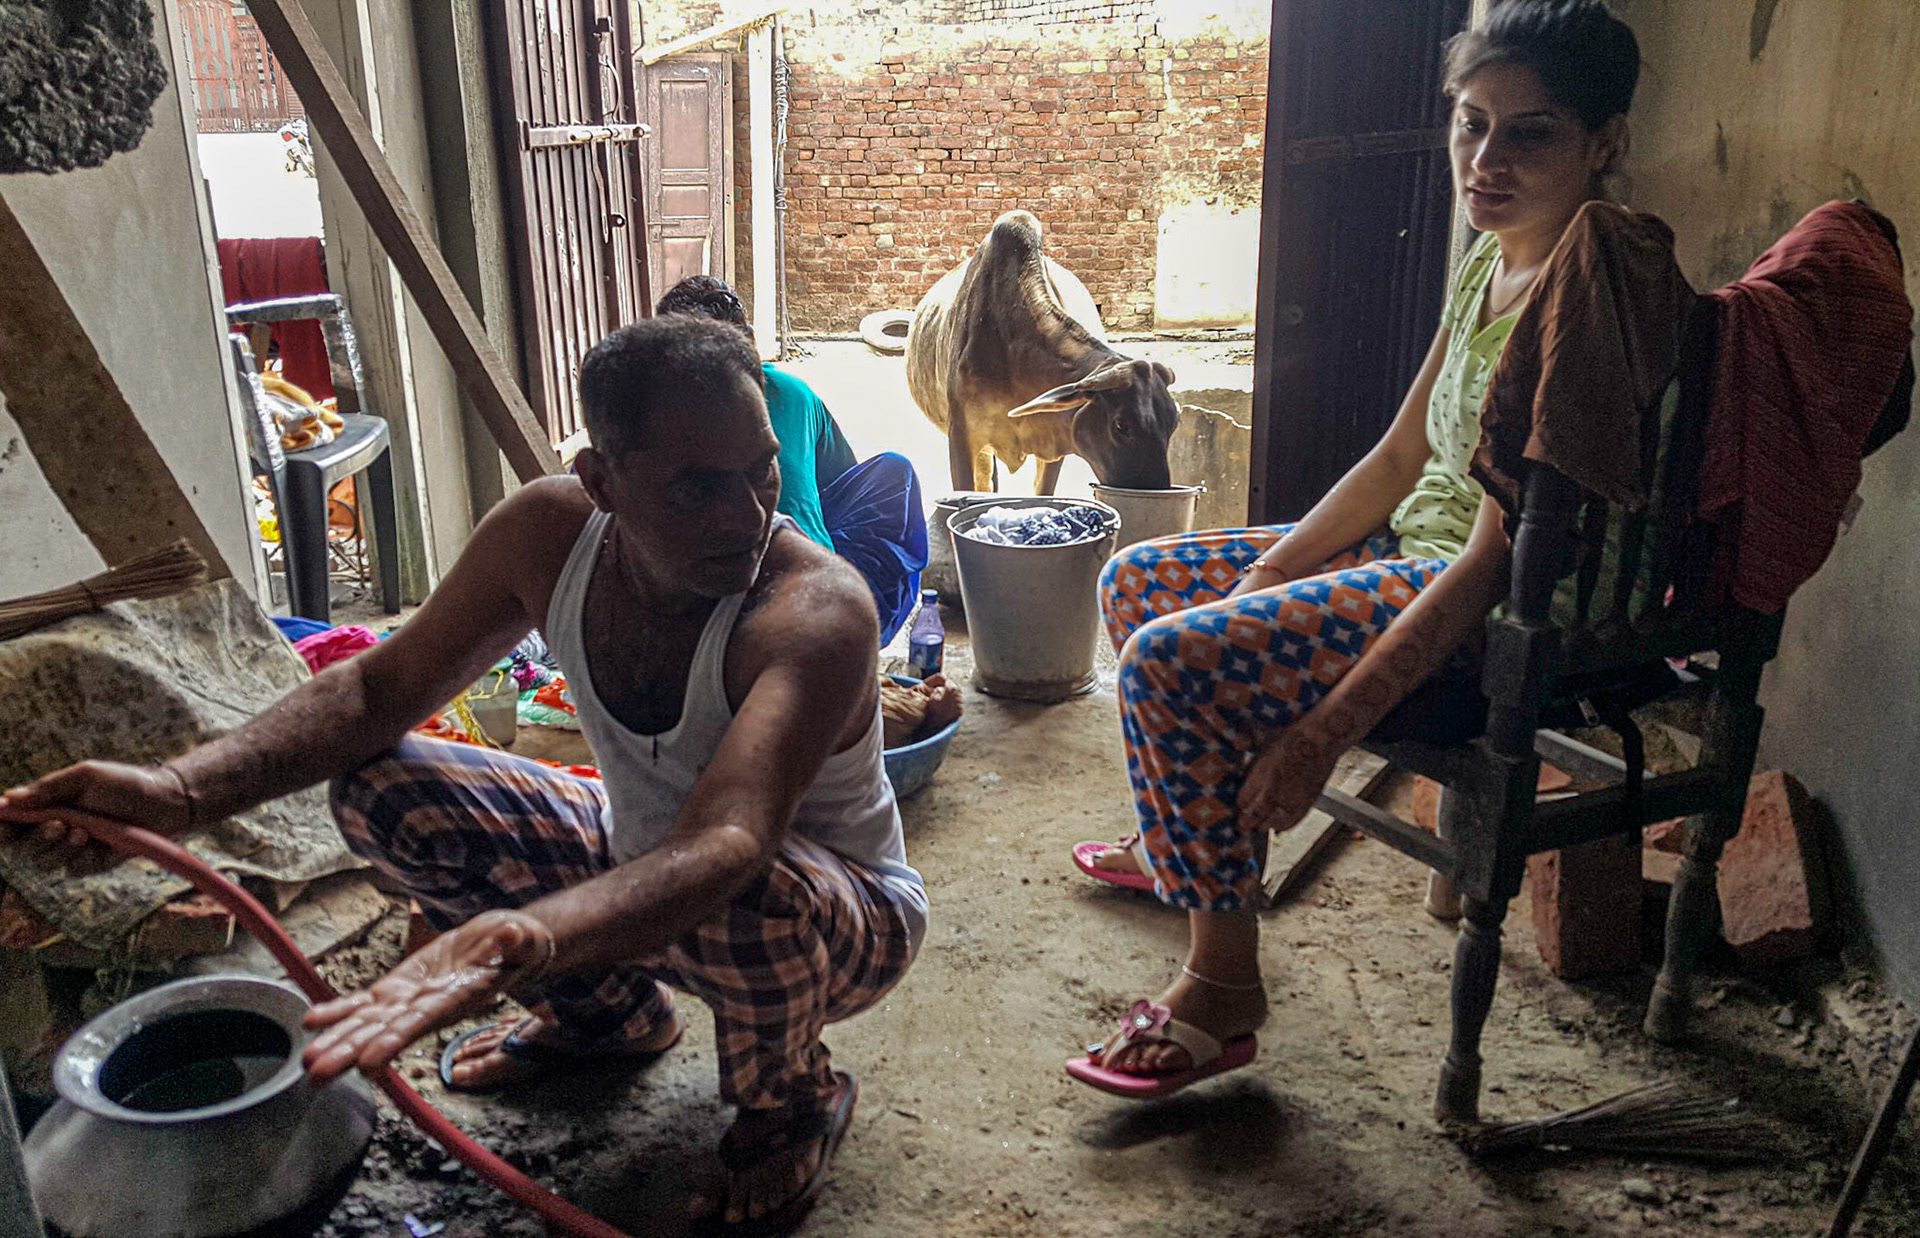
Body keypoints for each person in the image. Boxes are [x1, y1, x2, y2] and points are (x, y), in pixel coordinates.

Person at [1, 315, 927, 1232]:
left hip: (842, 915)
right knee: (387, 790)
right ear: (600, 482)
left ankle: (792, 1101)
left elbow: (729, 842)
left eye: (759, 469)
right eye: (696, 488)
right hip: (637, 854)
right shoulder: (546, 535)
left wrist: (508, 940)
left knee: (742, 893)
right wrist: (180, 792)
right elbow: (376, 690)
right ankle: (607, 1019)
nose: (749, 515)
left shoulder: (815, 612)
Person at [1065, 0, 1641, 1096]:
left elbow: (1486, 564)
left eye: (1533, 132)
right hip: (1413, 549)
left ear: (1604, 142)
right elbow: (1395, 454)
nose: (1487, 158)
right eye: (1471, 123)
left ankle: (1223, 988)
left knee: (1170, 663)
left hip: (1502, 601)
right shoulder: (1489, 262)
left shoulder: (1581, 298)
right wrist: (1275, 568)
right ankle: (1191, 845)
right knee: (1143, 577)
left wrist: (1326, 734)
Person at [654, 276, 929, 645]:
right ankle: (858, 632)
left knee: (891, 472)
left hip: (796, 585)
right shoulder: (789, 394)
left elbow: (832, 479)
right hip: (787, 598)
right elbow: (834, 478)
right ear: (749, 342)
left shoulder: (791, 397)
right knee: (892, 475)